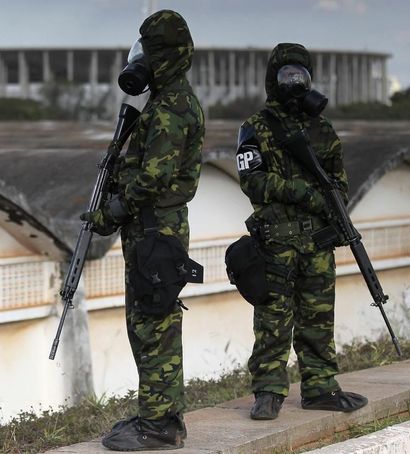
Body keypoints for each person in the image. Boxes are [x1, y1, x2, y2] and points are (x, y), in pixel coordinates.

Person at [81, 9, 204, 451]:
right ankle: (158, 411)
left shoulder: (172, 108)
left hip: (157, 229)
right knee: (146, 321)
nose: (141, 61)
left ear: (166, 57)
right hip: (151, 230)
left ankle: (160, 426)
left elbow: (152, 179)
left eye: (149, 53)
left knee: (155, 322)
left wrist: (112, 211)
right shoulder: (161, 102)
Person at [236, 43, 368, 421]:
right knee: (272, 320)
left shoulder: (322, 130)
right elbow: (253, 181)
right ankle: (268, 392)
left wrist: (328, 204)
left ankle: (321, 386)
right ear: (272, 80)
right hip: (275, 242)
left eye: (300, 74)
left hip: (316, 242)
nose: (294, 82)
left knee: (317, 318)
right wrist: (302, 192)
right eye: (286, 75)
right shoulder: (256, 127)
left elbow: (339, 187)